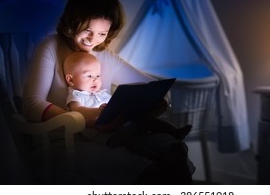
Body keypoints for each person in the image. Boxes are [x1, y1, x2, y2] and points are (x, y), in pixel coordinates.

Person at [22, 0, 195, 184]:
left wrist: (157, 101)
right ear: (72, 21)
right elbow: (32, 105)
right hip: (63, 141)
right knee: (139, 167)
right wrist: (84, 120)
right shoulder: (50, 46)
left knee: (170, 147)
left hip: (108, 134)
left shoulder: (104, 55)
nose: (92, 40)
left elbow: (153, 87)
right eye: (87, 29)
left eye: (102, 34)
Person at [62, 51, 192, 163]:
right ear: (71, 80)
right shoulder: (76, 95)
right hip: (97, 130)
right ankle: (156, 158)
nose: (95, 80)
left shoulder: (101, 93)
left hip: (118, 122)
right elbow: (78, 110)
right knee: (125, 140)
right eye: (89, 76)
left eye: (98, 76)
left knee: (145, 120)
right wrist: (98, 111)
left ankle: (175, 131)